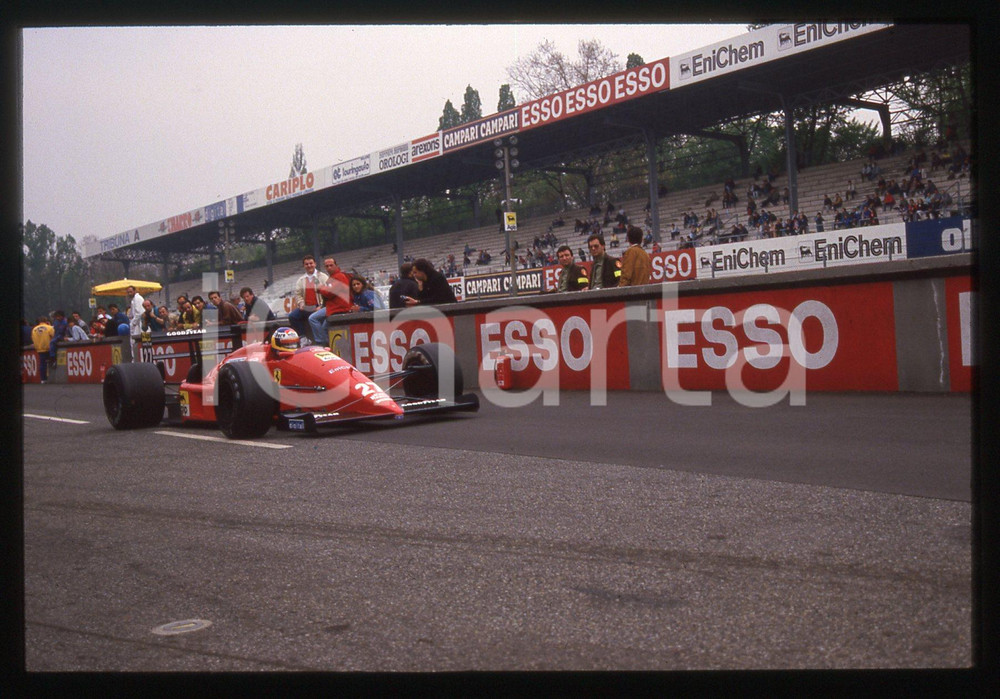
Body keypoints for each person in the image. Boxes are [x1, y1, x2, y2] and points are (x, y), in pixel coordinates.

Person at [309, 258, 356, 346]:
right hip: (334, 306)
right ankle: (324, 343)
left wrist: (321, 288)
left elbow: (330, 293)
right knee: (322, 327)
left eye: (331, 265)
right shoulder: (333, 277)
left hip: (338, 307)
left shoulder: (339, 276)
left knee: (313, 319)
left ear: (336, 265)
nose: (329, 268)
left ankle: (322, 344)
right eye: (327, 266)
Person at [288, 254, 329, 340]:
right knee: (292, 316)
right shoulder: (301, 280)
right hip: (307, 307)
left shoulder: (323, 277)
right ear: (304, 266)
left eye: (311, 263)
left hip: (319, 306)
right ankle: (303, 337)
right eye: (306, 264)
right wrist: (301, 303)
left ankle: (321, 341)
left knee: (317, 320)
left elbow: (328, 292)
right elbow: (298, 294)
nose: (309, 265)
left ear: (315, 264)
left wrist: (321, 306)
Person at [31, 316, 54, 383]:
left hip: (40, 349)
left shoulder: (34, 329)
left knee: (42, 364)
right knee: (52, 362)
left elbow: (33, 339)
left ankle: (43, 379)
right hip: (49, 348)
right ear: (46, 320)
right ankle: (52, 377)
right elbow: (54, 336)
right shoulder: (50, 328)